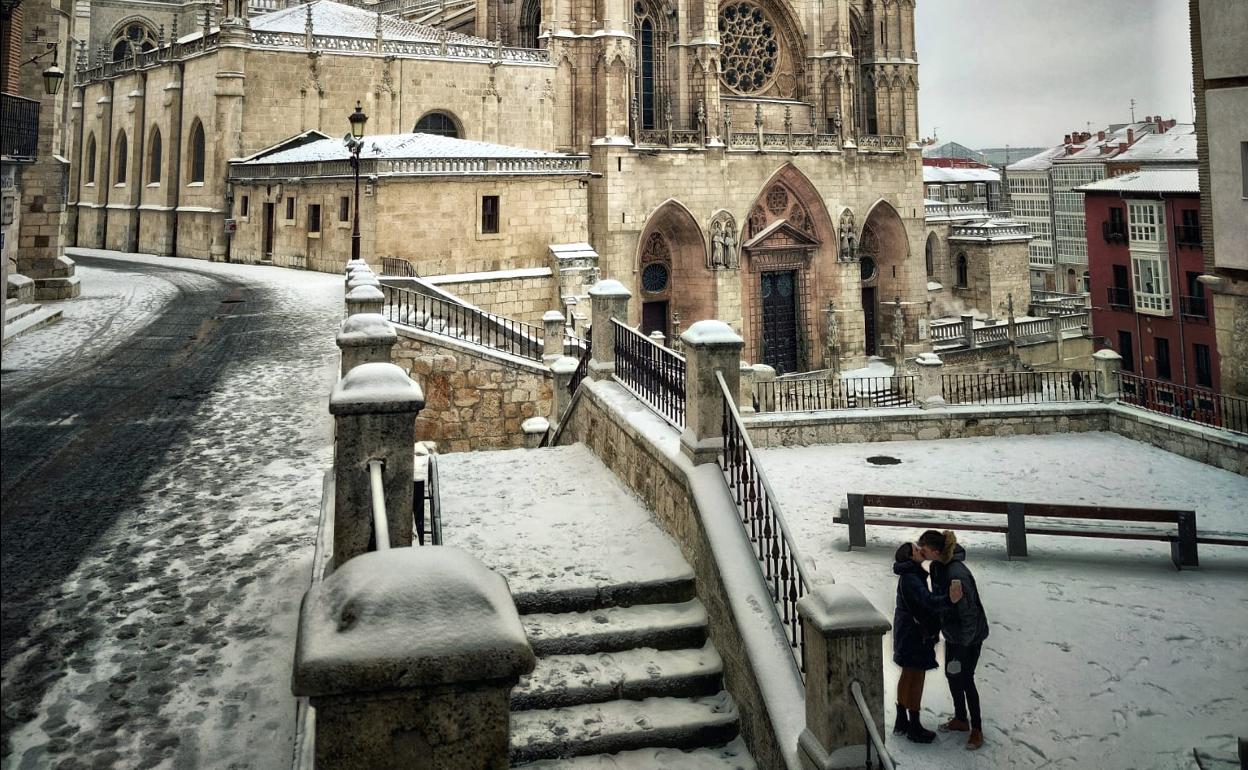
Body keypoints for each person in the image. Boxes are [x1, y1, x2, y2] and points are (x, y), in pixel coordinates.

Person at [918, 529, 990, 751]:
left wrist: (964, 643)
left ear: (936, 551)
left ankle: (976, 728)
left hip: (969, 637)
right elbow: (942, 601)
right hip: (953, 635)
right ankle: (960, 718)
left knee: (966, 678)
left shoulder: (956, 573)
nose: (921, 552)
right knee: (952, 674)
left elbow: (969, 612)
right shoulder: (937, 567)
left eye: (924, 549)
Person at [892, 541, 963, 743]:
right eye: (915, 549)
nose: (919, 549)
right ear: (910, 557)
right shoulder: (911, 578)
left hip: (907, 632)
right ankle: (913, 725)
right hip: (916, 635)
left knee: (908, 673)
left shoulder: (910, 575)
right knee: (916, 676)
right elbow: (927, 601)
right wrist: (949, 599)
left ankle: (902, 720)